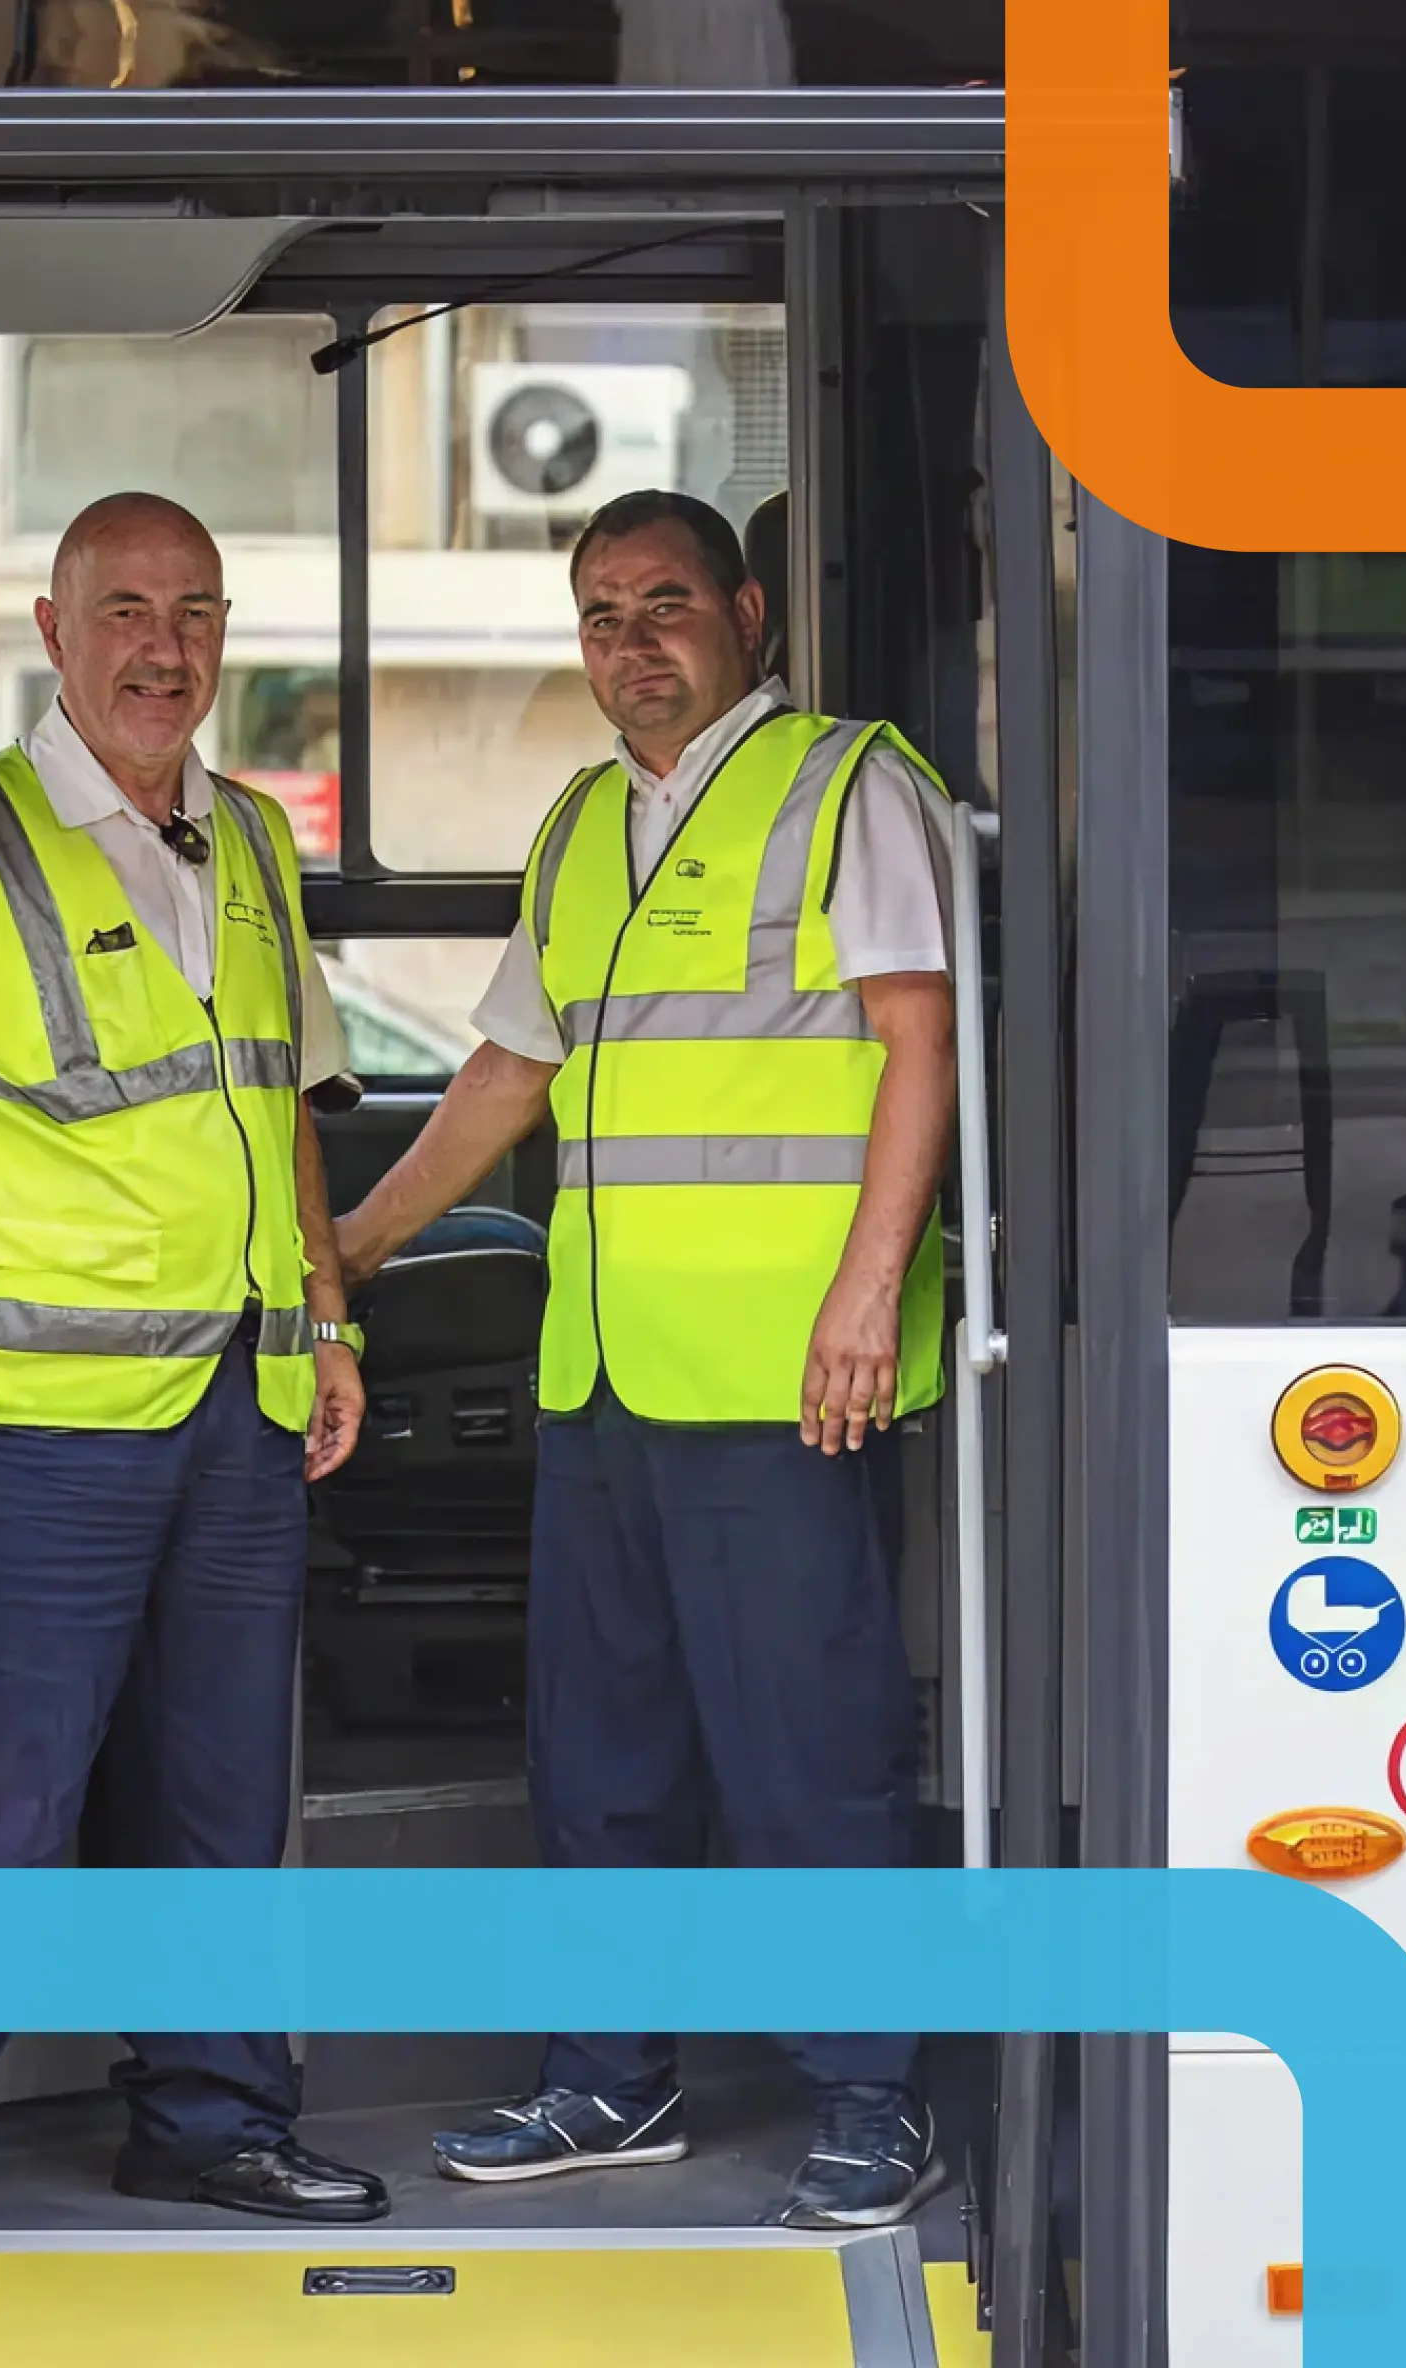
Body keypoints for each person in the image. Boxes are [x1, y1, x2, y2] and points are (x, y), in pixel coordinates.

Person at [335, 487, 958, 2229]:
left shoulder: (850, 790)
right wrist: (357, 1252)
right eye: (602, 616)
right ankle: (607, 2076)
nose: (633, 645)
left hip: (782, 1375)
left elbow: (923, 1048)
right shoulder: (583, 828)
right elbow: (508, 1076)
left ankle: (870, 2096)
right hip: (603, 1376)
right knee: (597, 1753)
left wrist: (865, 1289)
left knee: (810, 1754)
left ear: (748, 613)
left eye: (665, 604)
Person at [0, 491, 388, 2303]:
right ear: (52, 631)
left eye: (197, 612)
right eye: (125, 608)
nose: (165, 645)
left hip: (239, 1411)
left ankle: (209, 2120)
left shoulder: (255, 844)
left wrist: (334, 1313)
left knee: (217, 1793)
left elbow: (282, 1107)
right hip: (29, 1428)